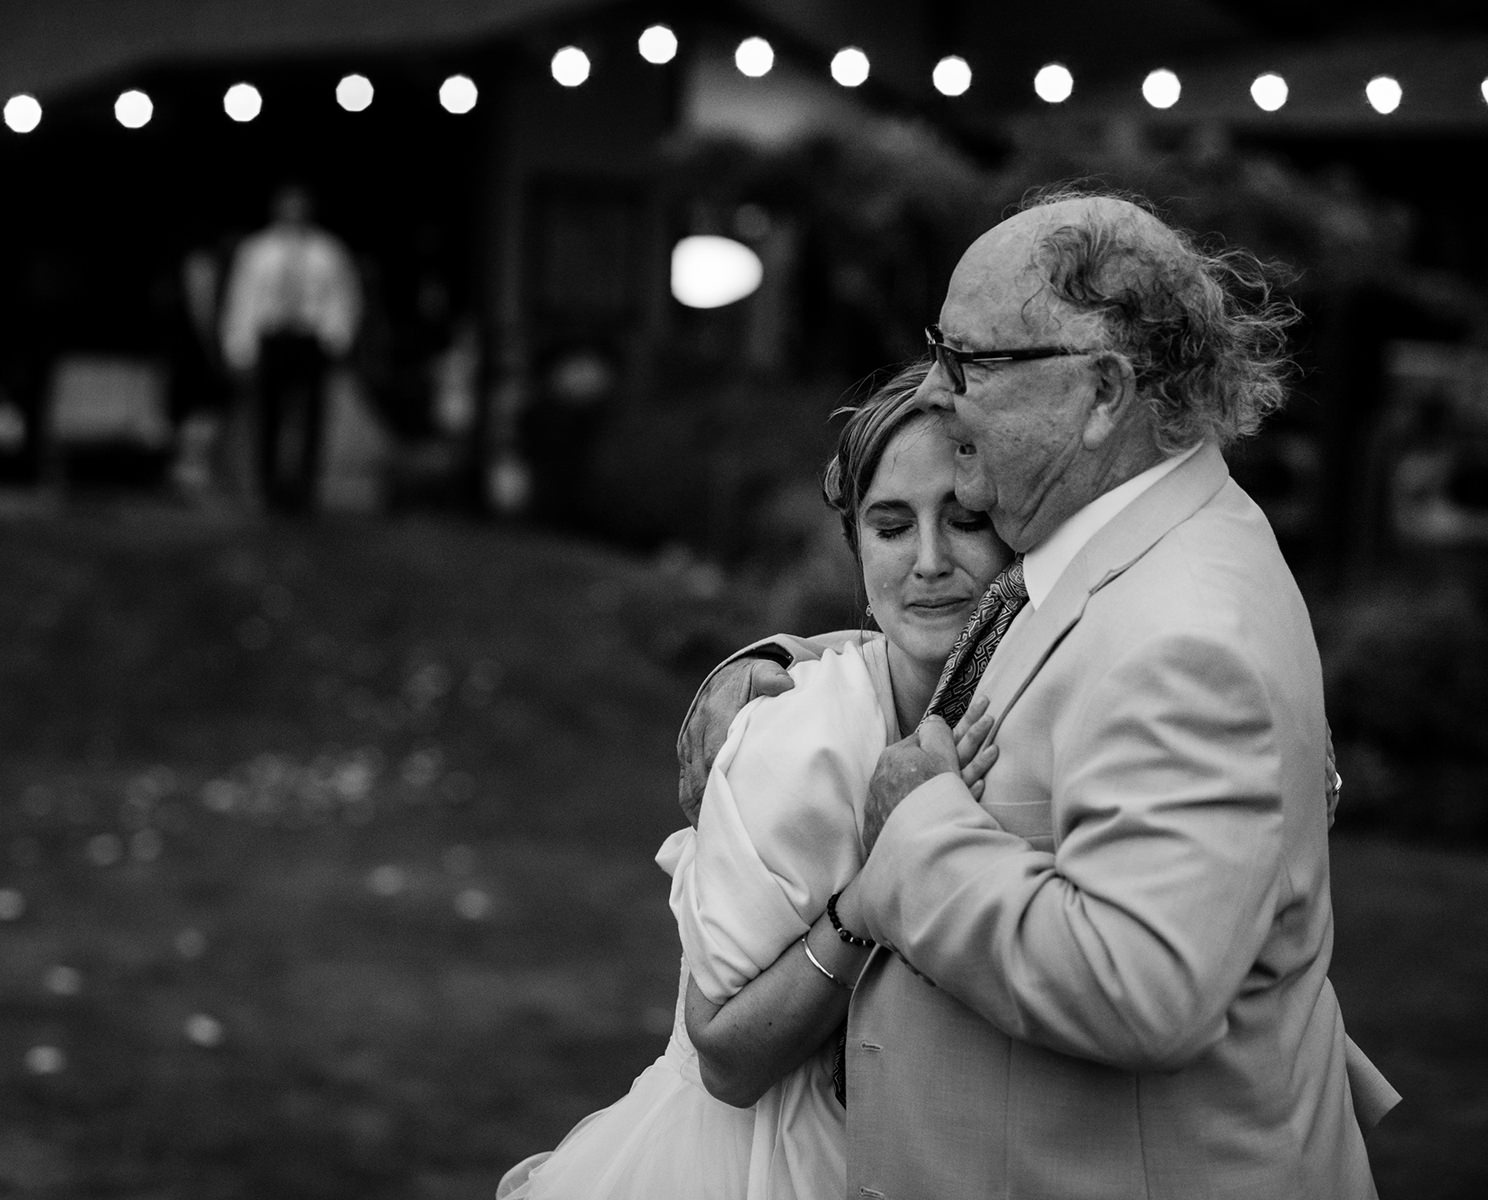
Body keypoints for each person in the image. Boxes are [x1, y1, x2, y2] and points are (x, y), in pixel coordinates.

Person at [679, 184, 1398, 1199]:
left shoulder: (1183, 632)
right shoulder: (1123, 548)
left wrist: (918, 832)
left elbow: (1142, 985)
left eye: (971, 359)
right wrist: (788, 664)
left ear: (1102, 391)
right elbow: (991, 643)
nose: (942, 386)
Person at [497, 365, 1013, 1200]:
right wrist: (878, 886)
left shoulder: (1021, 707)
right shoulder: (802, 734)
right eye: (890, 527)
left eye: (964, 520)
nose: (928, 561)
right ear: (857, 551)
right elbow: (727, 1058)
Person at [219, 184, 363, 510]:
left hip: (310, 340)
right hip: (272, 338)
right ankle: (268, 488)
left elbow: (344, 296)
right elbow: (243, 297)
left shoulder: (327, 250)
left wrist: (338, 337)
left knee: (313, 416)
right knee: (268, 414)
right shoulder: (257, 250)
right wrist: (239, 343)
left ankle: (307, 489)